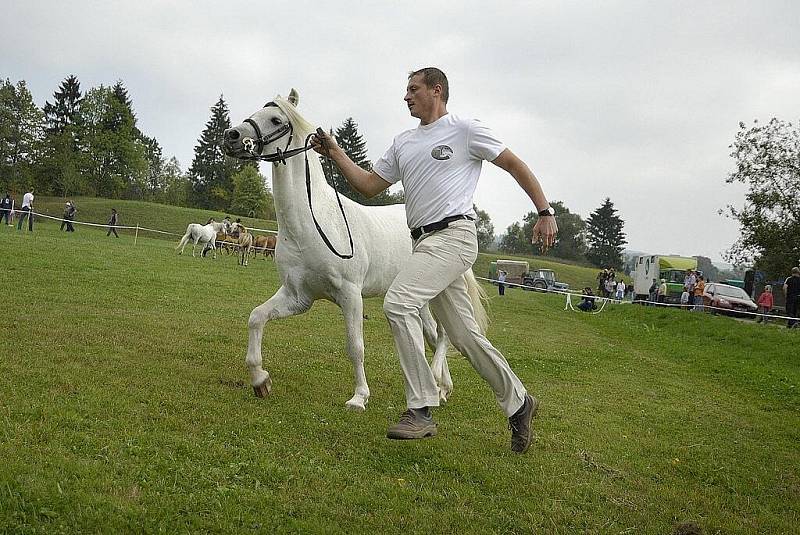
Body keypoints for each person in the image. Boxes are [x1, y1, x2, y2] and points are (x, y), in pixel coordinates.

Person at [310, 67, 558, 453]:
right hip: (422, 243)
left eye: (413, 89)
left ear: (436, 91)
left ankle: (421, 407)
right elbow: (369, 185)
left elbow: (514, 165)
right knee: (464, 337)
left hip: (455, 236)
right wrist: (336, 152)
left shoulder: (465, 129)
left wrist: (544, 211)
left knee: (397, 303)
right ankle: (521, 404)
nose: (406, 96)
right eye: (406, 90)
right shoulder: (404, 142)